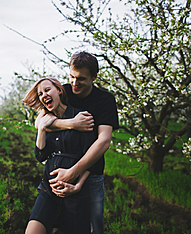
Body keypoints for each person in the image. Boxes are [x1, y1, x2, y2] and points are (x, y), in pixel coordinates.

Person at [35, 51, 119, 234]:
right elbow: (39, 122)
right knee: (62, 222)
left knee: (94, 224)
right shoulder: (63, 92)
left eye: (80, 79)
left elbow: (104, 141)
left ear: (94, 77)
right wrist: (72, 124)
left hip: (91, 172)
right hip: (60, 169)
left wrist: (73, 173)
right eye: (71, 76)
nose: (74, 83)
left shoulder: (105, 101)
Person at [23, 77, 96, 234]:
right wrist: (41, 129)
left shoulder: (80, 117)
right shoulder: (46, 121)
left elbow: (94, 158)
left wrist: (77, 186)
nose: (44, 95)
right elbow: (40, 156)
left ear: (59, 90)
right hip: (48, 189)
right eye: (40, 93)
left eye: (47, 90)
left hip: (74, 192)